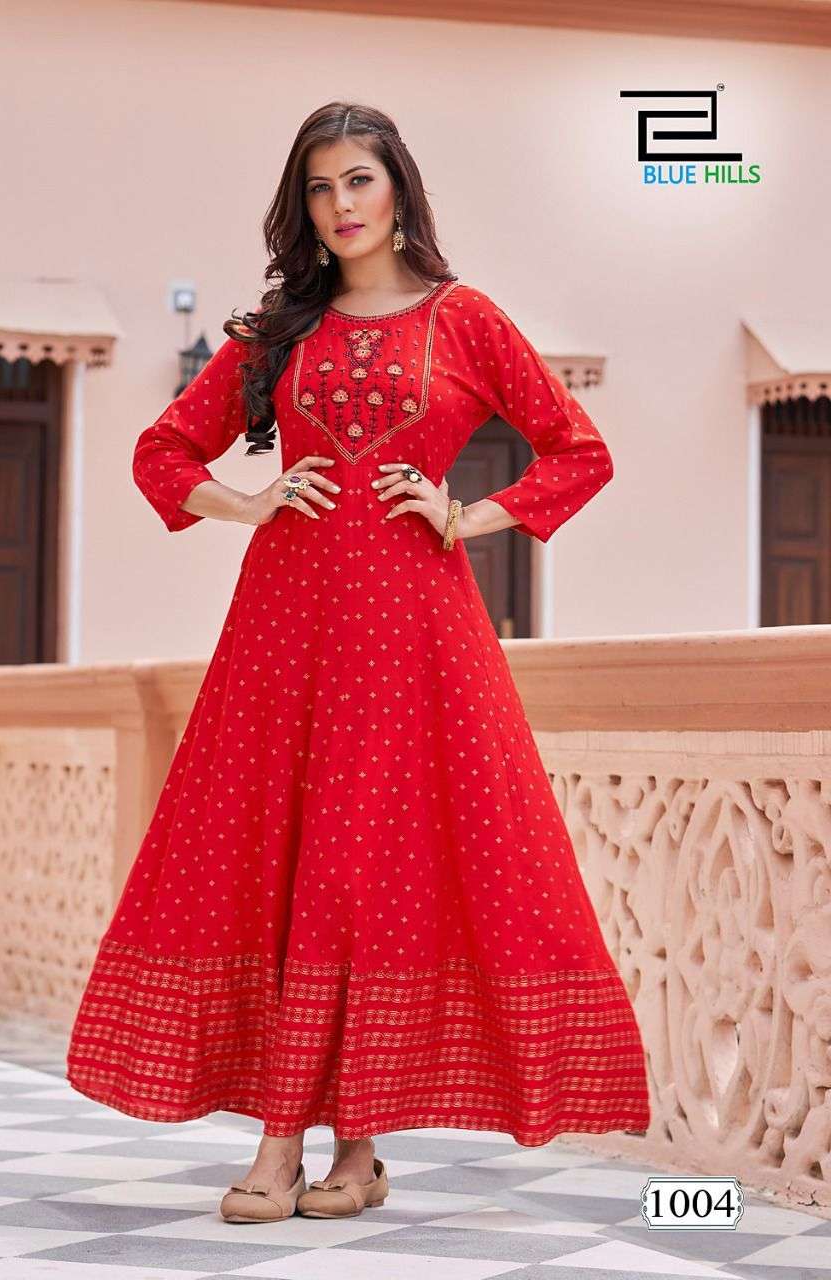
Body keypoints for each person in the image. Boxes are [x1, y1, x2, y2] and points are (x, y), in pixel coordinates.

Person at [65, 100, 650, 1225]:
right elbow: (161, 450)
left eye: (360, 181)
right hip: (285, 627)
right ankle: (314, 1144)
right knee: (292, 860)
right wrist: (248, 502)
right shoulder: (277, 332)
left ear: (398, 189)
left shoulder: (464, 319)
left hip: (415, 633)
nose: (341, 205)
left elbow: (580, 452)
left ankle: (324, 1144)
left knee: (364, 868)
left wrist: (466, 513)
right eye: (321, 186)